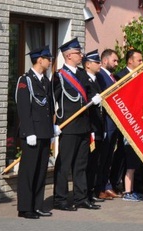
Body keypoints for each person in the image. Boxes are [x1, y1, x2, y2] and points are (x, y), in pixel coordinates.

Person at [52, 38, 102, 211]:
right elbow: (54, 101)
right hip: (69, 125)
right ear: (68, 55)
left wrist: (95, 99)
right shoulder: (59, 75)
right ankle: (61, 199)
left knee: (81, 164)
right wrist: (55, 124)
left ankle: (81, 197)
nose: (81, 55)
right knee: (64, 165)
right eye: (78, 53)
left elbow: (90, 93)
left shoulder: (81, 74)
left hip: (84, 125)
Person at [15, 46, 56, 219]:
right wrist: (28, 131)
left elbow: (50, 106)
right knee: (28, 171)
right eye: (48, 58)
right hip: (32, 134)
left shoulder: (46, 81)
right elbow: (24, 108)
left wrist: (53, 126)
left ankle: (37, 205)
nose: (50, 61)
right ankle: (25, 208)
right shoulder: (25, 80)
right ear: (39, 60)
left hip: (44, 132)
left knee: (41, 171)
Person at [115, 49, 143, 201]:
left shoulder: (141, 76)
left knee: (134, 159)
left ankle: (133, 187)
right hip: (125, 124)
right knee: (124, 157)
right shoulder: (119, 76)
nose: (141, 63)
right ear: (130, 61)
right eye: (139, 60)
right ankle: (120, 186)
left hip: (138, 122)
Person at [95, 49, 121, 200]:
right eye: (114, 60)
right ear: (105, 60)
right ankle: (100, 187)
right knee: (102, 157)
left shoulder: (112, 77)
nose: (116, 64)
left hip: (114, 122)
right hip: (106, 122)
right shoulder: (100, 76)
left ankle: (106, 185)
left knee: (108, 157)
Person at [82, 49, 106, 204]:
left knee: (95, 163)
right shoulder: (84, 80)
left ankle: (91, 192)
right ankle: (85, 194)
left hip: (98, 126)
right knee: (88, 163)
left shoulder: (97, 80)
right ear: (88, 64)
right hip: (90, 127)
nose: (99, 64)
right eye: (97, 62)